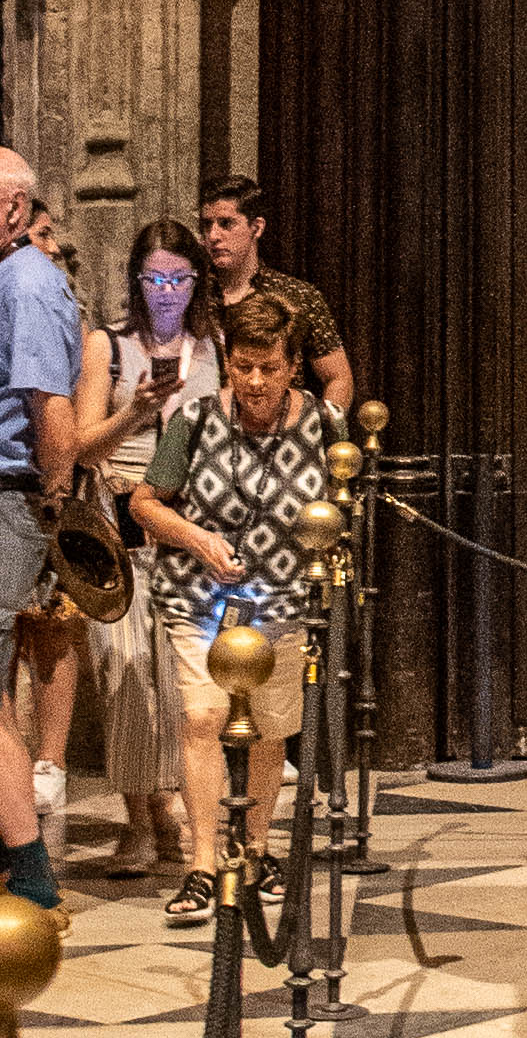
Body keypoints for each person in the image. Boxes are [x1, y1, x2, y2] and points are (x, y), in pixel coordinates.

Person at [133, 295, 335, 918]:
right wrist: (196, 537)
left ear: (293, 364)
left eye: (268, 368)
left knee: (272, 729)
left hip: (281, 600)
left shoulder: (325, 426)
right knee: (204, 717)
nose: (253, 382)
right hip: (201, 599)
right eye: (242, 367)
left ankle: (256, 850)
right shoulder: (192, 421)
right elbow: (145, 502)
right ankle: (201, 863)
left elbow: (342, 511)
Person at [82, 221, 217, 887]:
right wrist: (135, 411)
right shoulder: (106, 345)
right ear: (137, 281)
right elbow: (80, 447)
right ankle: (139, 821)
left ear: (197, 282)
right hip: (123, 531)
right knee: (129, 675)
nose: (167, 292)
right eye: (154, 279)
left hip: (194, 530)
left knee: (187, 685)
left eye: (179, 278)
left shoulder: (215, 347)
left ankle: (187, 823)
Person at [0, 153, 84, 912]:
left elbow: (51, 412)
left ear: (13, 211)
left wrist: (50, 504)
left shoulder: (27, 282)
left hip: (7, 498)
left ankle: (28, 867)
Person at [197, 179, 355, 420]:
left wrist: (317, 433)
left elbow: (338, 377)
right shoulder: (194, 296)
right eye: (206, 225)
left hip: (283, 434)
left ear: (256, 227)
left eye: (226, 223)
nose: (213, 235)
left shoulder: (296, 296)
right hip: (211, 433)